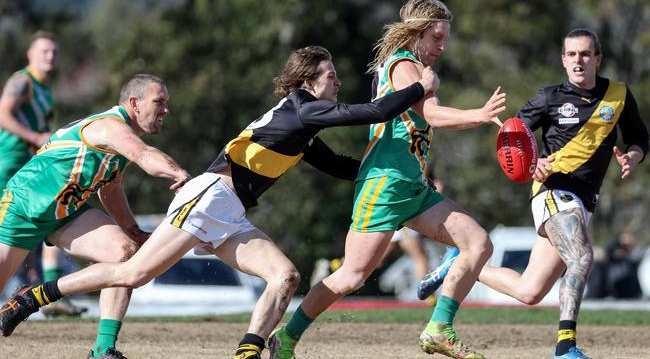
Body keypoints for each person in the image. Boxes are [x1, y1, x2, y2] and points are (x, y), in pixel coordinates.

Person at [0, 46, 438, 359]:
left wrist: (402, 172)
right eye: (331, 76)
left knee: (284, 275)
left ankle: (247, 352)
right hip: (210, 196)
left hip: (229, 211)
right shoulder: (303, 110)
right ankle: (33, 296)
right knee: (134, 272)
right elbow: (375, 111)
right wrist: (419, 88)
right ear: (308, 82)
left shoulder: (303, 125)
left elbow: (344, 166)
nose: (339, 82)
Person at [270, 0, 506, 359]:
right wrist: (480, 114)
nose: (442, 46)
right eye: (436, 37)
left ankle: (439, 328)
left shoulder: (417, 68)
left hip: (410, 185)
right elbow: (434, 115)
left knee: (477, 243)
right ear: (416, 34)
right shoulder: (403, 65)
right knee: (351, 276)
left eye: (445, 38)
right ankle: (286, 336)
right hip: (384, 184)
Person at [418, 28, 649, 359]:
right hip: (553, 191)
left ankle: (461, 260)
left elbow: (640, 137)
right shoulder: (549, 97)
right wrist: (533, 163)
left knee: (530, 291)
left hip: (585, 200)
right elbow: (511, 135)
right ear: (563, 60)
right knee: (582, 257)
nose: (578, 60)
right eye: (571, 54)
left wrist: (632, 157)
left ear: (598, 58)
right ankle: (565, 346)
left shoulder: (619, 95)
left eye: (585, 54)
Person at [0, 73, 191, 359]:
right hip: (24, 207)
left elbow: (110, 188)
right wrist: (179, 173)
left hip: (66, 211)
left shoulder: (121, 136)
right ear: (135, 103)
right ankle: (26, 300)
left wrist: (133, 230)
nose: (166, 110)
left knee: (125, 254)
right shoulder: (111, 127)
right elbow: (144, 155)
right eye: (159, 101)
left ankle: (103, 350)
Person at [0, 30, 88, 317]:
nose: (50, 56)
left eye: (54, 52)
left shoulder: (45, 89)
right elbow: (3, 114)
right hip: (7, 164)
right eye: (44, 51)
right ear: (30, 55)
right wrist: (34, 137)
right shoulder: (22, 80)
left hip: (28, 168)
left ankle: (43, 290)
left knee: (52, 218)